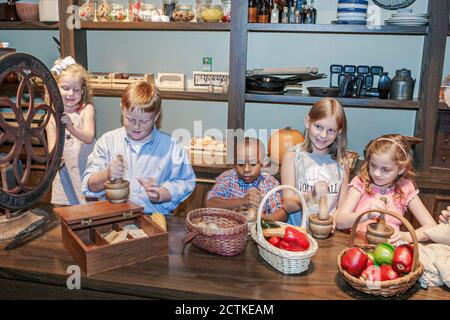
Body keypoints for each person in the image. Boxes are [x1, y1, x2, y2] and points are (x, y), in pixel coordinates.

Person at [81, 81, 195, 214]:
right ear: (122, 109)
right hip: (112, 218)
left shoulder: (172, 147)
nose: (136, 126)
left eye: (144, 121)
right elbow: (89, 185)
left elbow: (185, 182)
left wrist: (160, 194)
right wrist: (107, 174)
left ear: (156, 116)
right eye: (130, 119)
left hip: (153, 217)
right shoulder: (107, 142)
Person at [335, 134, 438, 243]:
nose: (377, 173)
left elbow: (432, 228)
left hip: (389, 249)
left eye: (386, 169)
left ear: (401, 170)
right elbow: (340, 221)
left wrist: (407, 236)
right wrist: (366, 214)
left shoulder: (405, 188)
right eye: (373, 165)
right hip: (357, 245)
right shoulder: (361, 182)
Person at [274, 98, 349, 225]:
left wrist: (330, 224)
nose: (323, 135)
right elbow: (288, 205)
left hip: (328, 235)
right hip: (296, 234)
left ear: (339, 131)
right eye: (318, 127)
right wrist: (312, 195)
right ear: (307, 122)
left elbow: (341, 209)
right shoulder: (292, 156)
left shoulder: (341, 164)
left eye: (331, 130)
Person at [46, 56, 95, 205]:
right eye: (65, 88)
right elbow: (52, 147)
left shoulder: (86, 110)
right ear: (54, 88)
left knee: (89, 209)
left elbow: (89, 137)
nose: (70, 94)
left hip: (86, 169)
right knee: (66, 212)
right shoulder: (51, 118)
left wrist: (71, 127)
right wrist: (56, 156)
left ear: (83, 91)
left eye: (76, 90)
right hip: (65, 174)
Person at [205, 137, 281, 218]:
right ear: (234, 163)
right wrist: (242, 201)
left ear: (263, 162)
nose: (246, 170)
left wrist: (262, 219)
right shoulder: (227, 178)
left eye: (253, 164)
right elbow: (210, 203)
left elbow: (280, 213)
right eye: (240, 164)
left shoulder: (269, 183)